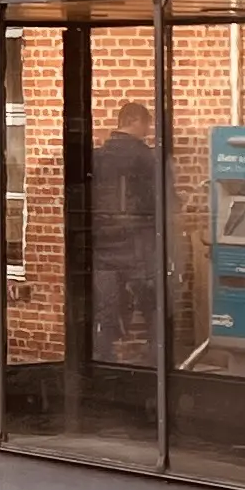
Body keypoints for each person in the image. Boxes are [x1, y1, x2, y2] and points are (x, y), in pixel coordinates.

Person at [91, 98, 156, 364]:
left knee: (106, 310)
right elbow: (158, 200)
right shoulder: (146, 157)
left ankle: (103, 361)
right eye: (147, 125)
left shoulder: (96, 157)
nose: (148, 131)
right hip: (137, 244)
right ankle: (155, 360)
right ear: (135, 121)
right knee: (152, 305)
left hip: (102, 247)